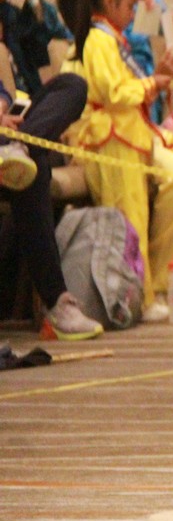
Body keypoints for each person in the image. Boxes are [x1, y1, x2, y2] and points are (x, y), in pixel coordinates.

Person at [61, 0, 173, 322]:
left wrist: (154, 82)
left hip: (127, 133)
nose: (134, 14)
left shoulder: (111, 40)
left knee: (145, 205)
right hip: (112, 137)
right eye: (129, 6)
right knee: (129, 218)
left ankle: (154, 287)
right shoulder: (97, 41)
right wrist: (151, 84)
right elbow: (114, 93)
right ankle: (139, 296)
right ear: (110, 2)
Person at [0, 69, 101, 339]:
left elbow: (2, 91)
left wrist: (1, 107)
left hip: (5, 138)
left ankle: (19, 147)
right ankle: (57, 302)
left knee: (72, 85)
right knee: (35, 170)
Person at [0, 0, 72, 96]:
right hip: (4, 107)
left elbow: (57, 36)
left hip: (30, 104)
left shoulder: (12, 16)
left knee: (76, 86)